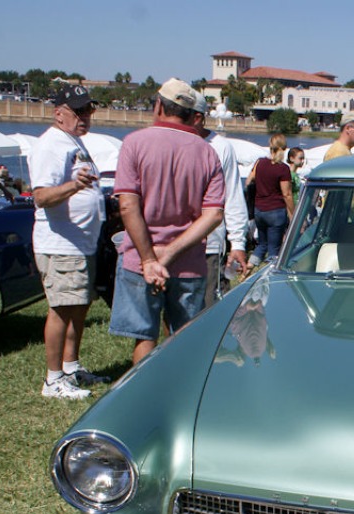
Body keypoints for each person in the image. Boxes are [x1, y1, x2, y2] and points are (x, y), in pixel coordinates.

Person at [109, 78, 225, 366]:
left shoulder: (134, 143)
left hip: (140, 260)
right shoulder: (206, 152)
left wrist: (150, 259)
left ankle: (144, 398)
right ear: (189, 114)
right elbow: (214, 213)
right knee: (185, 338)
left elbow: (127, 204)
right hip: (189, 263)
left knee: (144, 338)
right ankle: (182, 400)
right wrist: (170, 253)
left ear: (159, 105)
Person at [29, 84, 109, 400]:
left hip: (81, 244)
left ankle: (71, 367)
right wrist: (75, 186)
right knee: (61, 309)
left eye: (89, 110)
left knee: (79, 307)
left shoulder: (73, 142)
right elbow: (41, 196)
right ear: (59, 113)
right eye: (79, 111)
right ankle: (52, 380)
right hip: (61, 244)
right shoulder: (50, 146)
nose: (86, 116)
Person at [191, 92, 249, 308]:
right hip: (172, 244)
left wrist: (237, 243)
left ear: (197, 117)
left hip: (209, 247)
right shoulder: (172, 142)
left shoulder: (221, 147)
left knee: (208, 309)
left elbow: (233, 195)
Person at [245, 133, 294, 273]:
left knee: (262, 244)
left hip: (259, 210)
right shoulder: (283, 169)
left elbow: (248, 181)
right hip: (275, 211)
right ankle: (270, 274)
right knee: (274, 249)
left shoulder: (259, 163)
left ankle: (247, 268)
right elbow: (287, 194)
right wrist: (293, 213)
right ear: (283, 148)